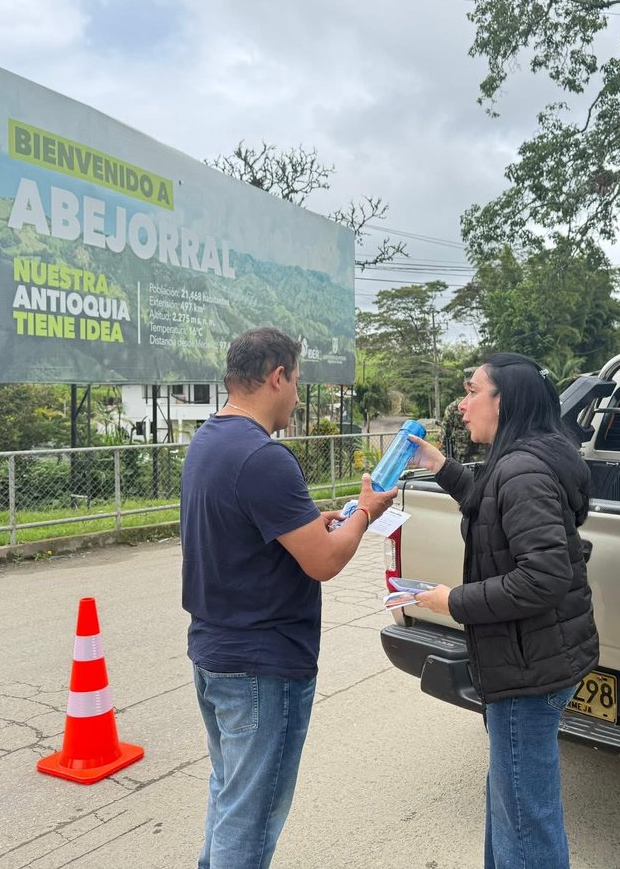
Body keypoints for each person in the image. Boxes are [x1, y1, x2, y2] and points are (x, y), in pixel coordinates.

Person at [179, 327, 396, 869]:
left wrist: (312, 524)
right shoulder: (264, 457)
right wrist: (365, 511)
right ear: (277, 376)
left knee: (231, 798)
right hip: (261, 665)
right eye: (296, 382)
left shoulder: (209, 440)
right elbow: (323, 561)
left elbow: (250, 531)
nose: (297, 395)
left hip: (215, 652)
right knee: (250, 822)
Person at [408, 353, 598, 869]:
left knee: (526, 820)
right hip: (532, 657)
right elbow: (488, 500)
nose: (462, 404)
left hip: (526, 669)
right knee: (511, 805)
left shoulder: (522, 470)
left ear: (503, 400)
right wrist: (437, 465)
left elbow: (544, 577)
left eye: (472, 391)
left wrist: (454, 601)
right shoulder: (524, 458)